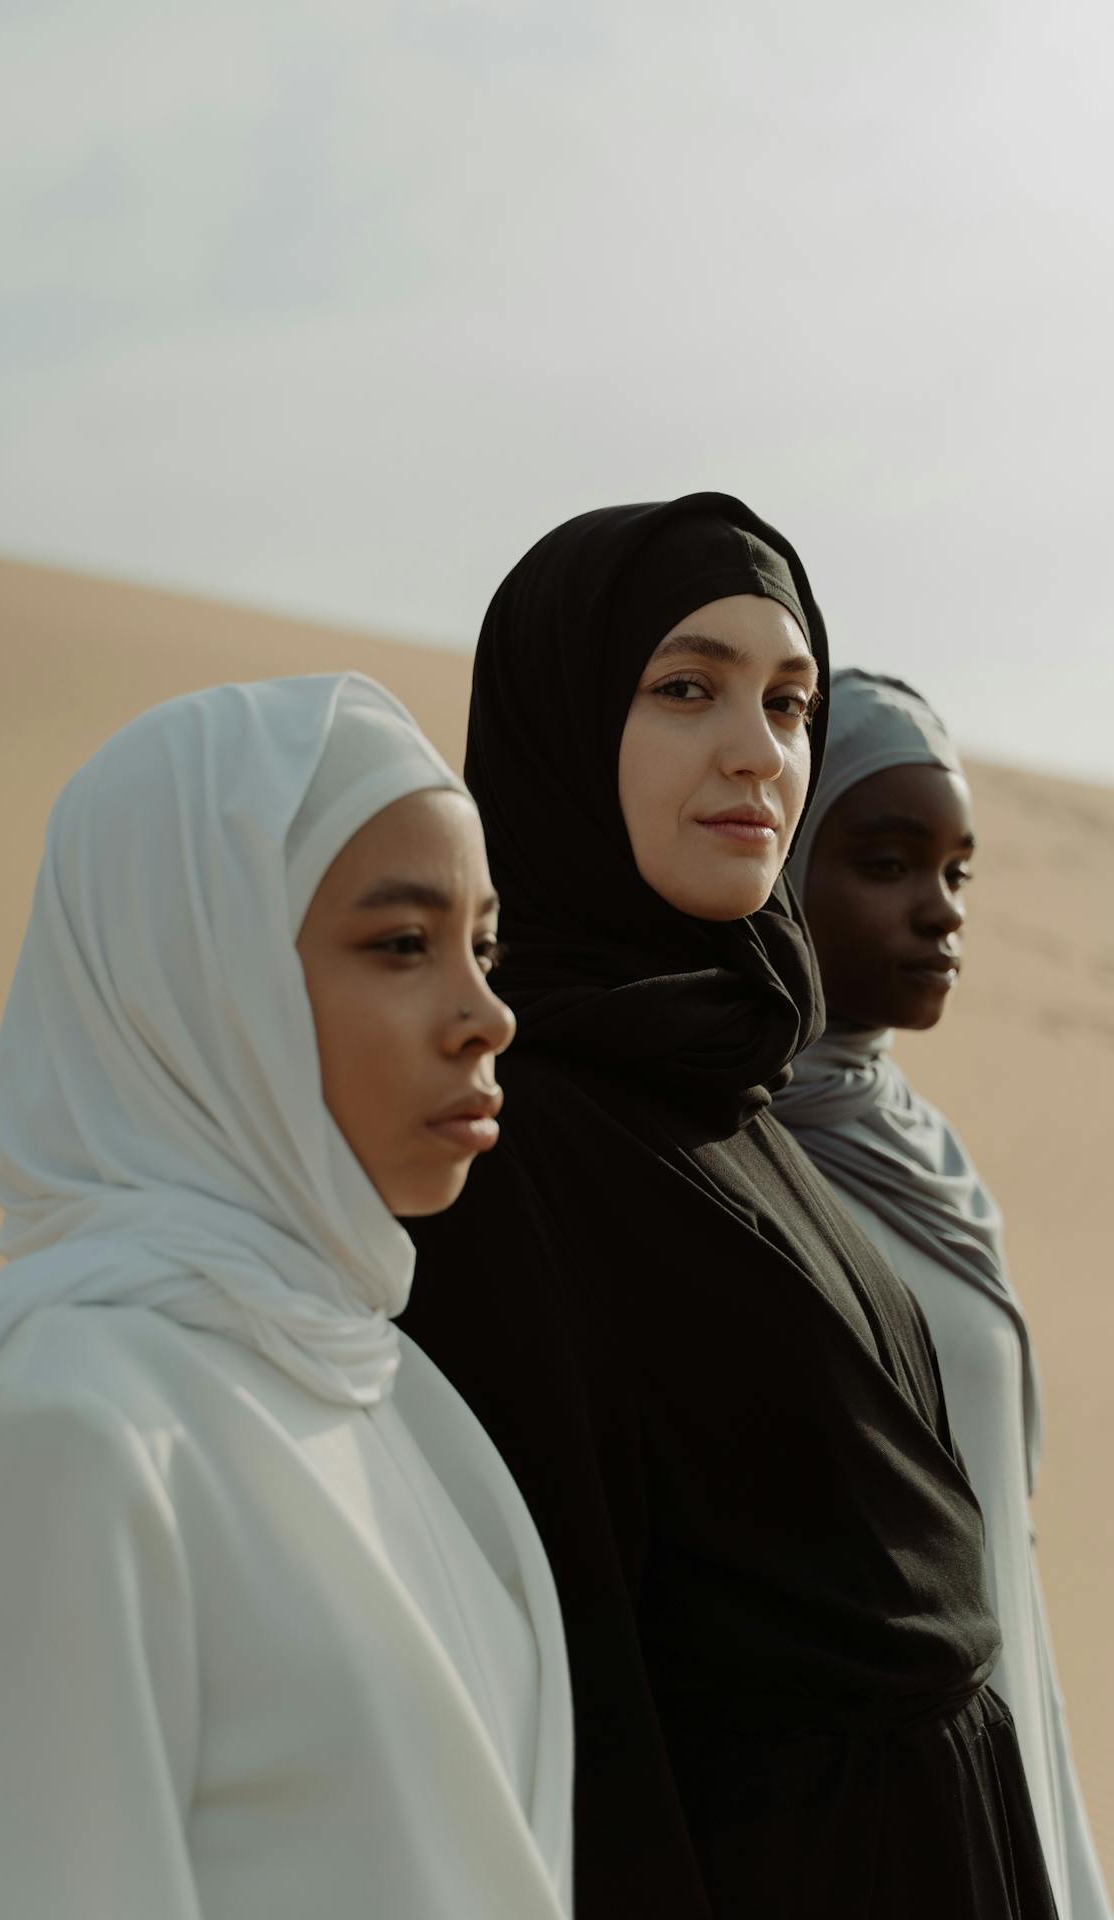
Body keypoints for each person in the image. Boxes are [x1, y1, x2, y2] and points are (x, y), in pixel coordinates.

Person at [399, 495, 1058, 1919]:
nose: (758, 752)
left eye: (789, 700)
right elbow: (578, 1704)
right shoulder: (507, 1133)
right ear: (567, 721)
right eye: (686, 688)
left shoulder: (729, 1084)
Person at [0, 673, 573, 1920]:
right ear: (194, 976)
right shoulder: (69, 1432)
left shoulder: (376, 1386)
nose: (485, 1015)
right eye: (401, 944)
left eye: (484, 944)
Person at [775, 666, 1110, 1920]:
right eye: (883, 860)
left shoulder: (925, 1151)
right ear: (780, 859)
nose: (938, 912)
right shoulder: (723, 1164)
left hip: (1005, 1750)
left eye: (957, 873)